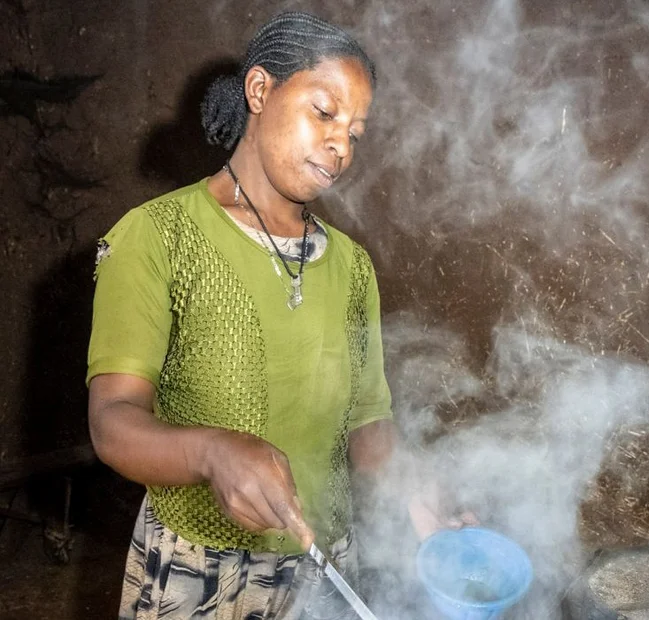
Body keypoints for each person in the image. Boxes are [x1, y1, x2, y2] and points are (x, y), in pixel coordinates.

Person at [86, 11, 471, 620]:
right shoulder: (159, 237)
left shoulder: (351, 267)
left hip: (324, 568)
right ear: (261, 90)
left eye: (355, 132)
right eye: (325, 112)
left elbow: (368, 420)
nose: (341, 145)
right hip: (195, 572)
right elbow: (112, 421)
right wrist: (211, 453)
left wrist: (413, 491)